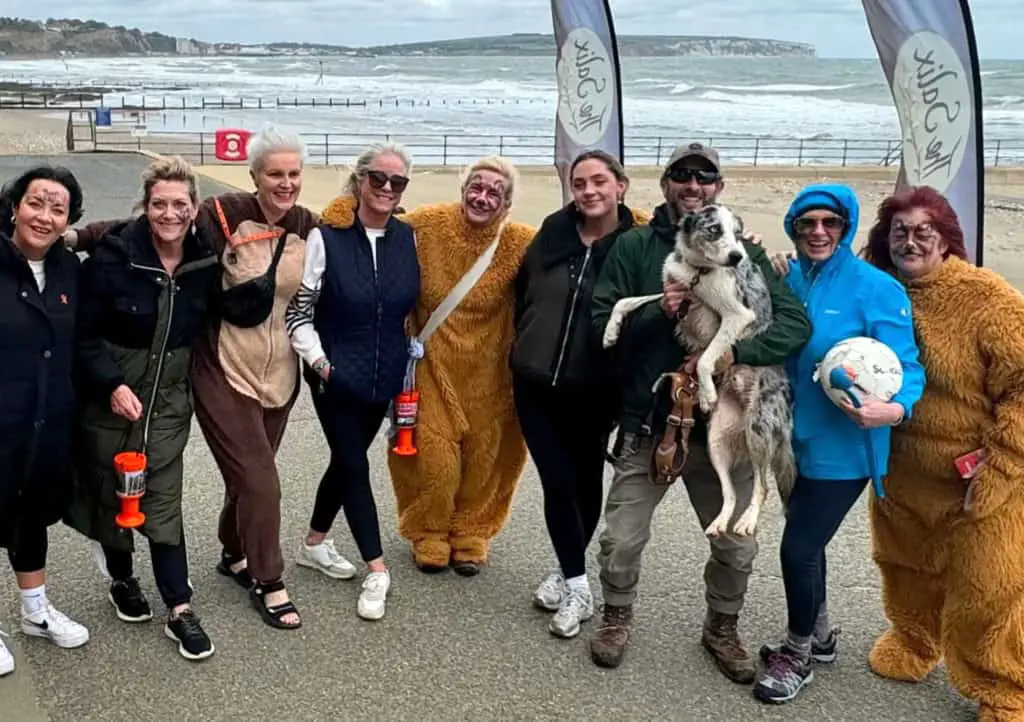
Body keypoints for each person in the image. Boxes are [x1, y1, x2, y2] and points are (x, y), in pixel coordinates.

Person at [67, 124, 318, 629]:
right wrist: (74, 235)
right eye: (275, 173)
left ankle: (233, 552)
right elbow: (145, 223)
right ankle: (269, 580)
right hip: (220, 366)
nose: (285, 183)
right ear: (254, 176)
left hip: (280, 373)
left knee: (249, 474)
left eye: (293, 173)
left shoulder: (310, 226)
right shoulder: (219, 216)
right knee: (262, 480)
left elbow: (349, 254)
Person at [587, 141, 811, 682]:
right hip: (652, 420)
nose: (693, 186)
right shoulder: (638, 246)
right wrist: (654, 315)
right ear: (665, 184)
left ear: (718, 189)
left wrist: (739, 353)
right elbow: (601, 323)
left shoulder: (744, 251)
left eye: (704, 178)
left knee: (736, 544)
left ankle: (722, 628)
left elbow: (795, 324)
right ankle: (615, 615)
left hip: (726, 424)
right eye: (681, 176)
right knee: (620, 537)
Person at [750, 183, 925, 704]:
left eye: (831, 222)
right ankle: (821, 635)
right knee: (810, 543)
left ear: (846, 227)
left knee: (797, 546)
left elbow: (906, 366)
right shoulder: (790, 279)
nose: (819, 232)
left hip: (846, 445)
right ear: (795, 229)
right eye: (808, 223)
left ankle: (798, 652)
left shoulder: (877, 288)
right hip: (790, 439)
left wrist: (893, 409)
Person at [324, 156, 535, 575]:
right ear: (462, 190)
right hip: (433, 367)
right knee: (433, 458)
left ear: (507, 204)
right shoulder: (431, 223)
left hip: (490, 374)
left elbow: (577, 238)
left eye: (495, 192)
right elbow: (380, 215)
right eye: (476, 186)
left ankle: (472, 530)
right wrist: (340, 210)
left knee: (484, 458)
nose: (482, 196)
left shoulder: (519, 243)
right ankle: (429, 531)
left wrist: (629, 215)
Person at [861, 186, 1024, 722]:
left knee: (989, 584)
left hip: (978, 476)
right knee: (904, 566)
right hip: (900, 470)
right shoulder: (878, 291)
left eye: (922, 231)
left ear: (946, 238)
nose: (910, 242)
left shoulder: (987, 299)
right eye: (899, 232)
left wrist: (1003, 464)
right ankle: (914, 640)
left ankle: (1003, 685)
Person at [66, 157, 220, 661]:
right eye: (159, 204)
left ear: (194, 208)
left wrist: (259, 293)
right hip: (113, 396)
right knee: (113, 491)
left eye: (180, 204)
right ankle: (121, 577)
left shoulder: (205, 260)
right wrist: (109, 382)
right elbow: (83, 334)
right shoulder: (114, 256)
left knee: (162, 500)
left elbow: (232, 308)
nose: (169, 214)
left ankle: (180, 606)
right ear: (145, 206)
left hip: (170, 401)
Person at [510, 150, 649, 638]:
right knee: (557, 481)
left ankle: (567, 571)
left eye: (598, 182)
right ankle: (579, 584)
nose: (588, 191)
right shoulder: (552, 231)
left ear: (620, 186)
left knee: (586, 479)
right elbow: (524, 291)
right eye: (580, 183)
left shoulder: (636, 244)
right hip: (534, 381)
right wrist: (523, 342)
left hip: (596, 388)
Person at [285, 142, 419, 620]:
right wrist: (321, 364)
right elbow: (298, 312)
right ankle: (377, 568)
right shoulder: (329, 237)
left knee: (347, 462)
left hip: (385, 378)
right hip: (335, 377)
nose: (386, 188)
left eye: (397, 182)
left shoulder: (409, 238)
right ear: (360, 180)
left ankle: (314, 544)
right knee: (355, 466)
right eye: (377, 178)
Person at [0, 166, 89, 677]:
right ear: (15, 206)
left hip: (47, 416)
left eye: (58, 209)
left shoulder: (67, 269)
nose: (45, 216)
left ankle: (36, 611)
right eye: (36, 203)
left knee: (31, 515)